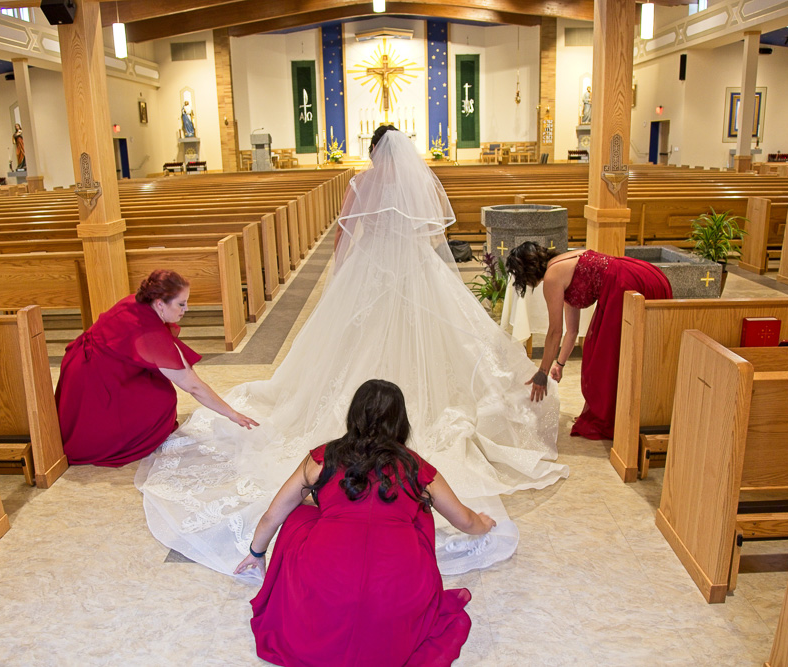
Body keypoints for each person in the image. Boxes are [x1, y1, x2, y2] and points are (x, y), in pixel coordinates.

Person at [136, 127, 567, 578]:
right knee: (434, 342)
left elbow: (345, 232)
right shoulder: (416, 183)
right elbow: (428, 237)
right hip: (415, 272)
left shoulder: (361, 183)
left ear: (372, 152)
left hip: (371, 272)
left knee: (353, 348)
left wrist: (340, 281)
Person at [234, 380, 492, 666]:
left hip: (326, 583)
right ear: (400, 421)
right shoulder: (416, 467)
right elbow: (465, 521)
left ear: (354, 415)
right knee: (421, 512)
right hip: (395, 591)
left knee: (296, 510)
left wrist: (257, 553)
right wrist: (483, 523)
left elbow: (273, 515)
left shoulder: (322, 458)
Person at [56, 269, 258, 466]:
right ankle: (120, 436)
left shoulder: (137, 301)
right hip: (94, 381)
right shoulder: (149, 335)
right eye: (181, 304)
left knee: (156, 380)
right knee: (162, 399)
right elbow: (193, 386)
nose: (186, 309)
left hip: (81, 366)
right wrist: (233, 414)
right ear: (160, 303)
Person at [506, 242, 673, 440]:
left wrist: (542, 373)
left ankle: (611, 417)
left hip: (624, 285)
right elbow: (572, 330)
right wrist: (559, 364)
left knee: (601, 360)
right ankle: (624, 413)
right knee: (603, 354)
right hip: (639, 273)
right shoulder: (561, 264)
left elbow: (554, 331)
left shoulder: (552, 277)